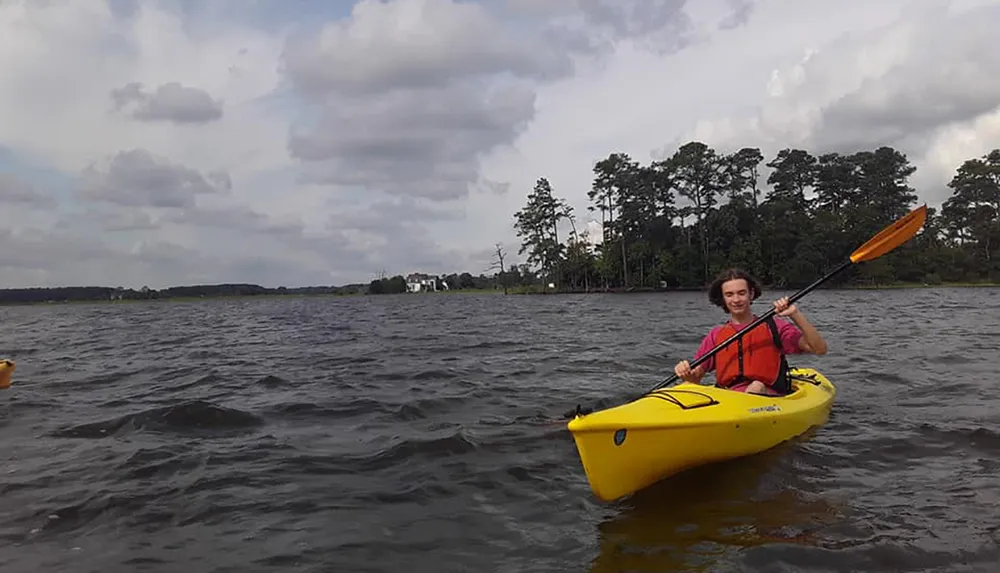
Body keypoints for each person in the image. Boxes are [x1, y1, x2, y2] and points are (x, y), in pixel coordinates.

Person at [673, 268, 828, 396]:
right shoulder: (716, 335)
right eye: (729, 294)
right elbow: (695, 379)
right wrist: (686, 373)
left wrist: (795, 314)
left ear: (751, 294)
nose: (736, 300)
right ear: (723, 298)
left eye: (741, 293)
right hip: (728, 399)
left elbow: (819, 349)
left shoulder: (775, 327)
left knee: (756, 386)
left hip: (768, 397)